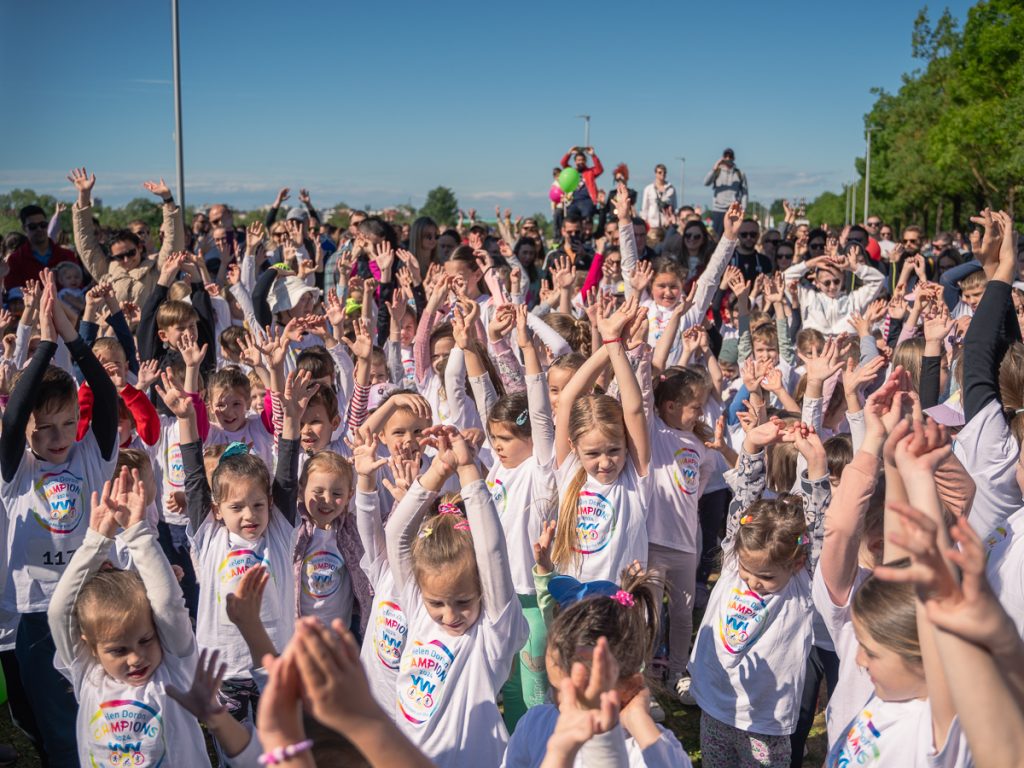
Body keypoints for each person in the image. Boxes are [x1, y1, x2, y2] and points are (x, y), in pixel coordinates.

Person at [47, 469, 260, 766]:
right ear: (91, 647)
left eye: (145, 640)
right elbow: (59, 613)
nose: (136, 658)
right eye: (118, 650)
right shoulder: (89, 673)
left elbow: (168, 604)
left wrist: (138, 533)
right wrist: (95, 542)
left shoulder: (173, 671)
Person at [0, 272, 119, 765]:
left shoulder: (91, 456)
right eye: (45, 427)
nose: (59, 437)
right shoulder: (15, 471)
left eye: (68, 423)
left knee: (104, 715)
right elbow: (13, 418)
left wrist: (73, 337)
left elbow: (106, 397)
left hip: (94, 602)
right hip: (36, 612)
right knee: (56, 730)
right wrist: (46, 344)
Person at [385, 427, 528, 767]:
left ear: (482, 591)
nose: (450, 616)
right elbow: (396, 534)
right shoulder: (418, 609)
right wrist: (439, 469)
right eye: (437, 603)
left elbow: (492, 551)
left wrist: (466, 470)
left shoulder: (492, 632)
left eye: (463, 602)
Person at [69, 167, 185, 313]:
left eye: (131, 253)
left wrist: (167, 199)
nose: (126, 259)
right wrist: (84, 195)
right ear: (112, 257)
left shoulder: (157, 269)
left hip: (147, 327)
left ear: (140, 248)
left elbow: (173, 241)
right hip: (111, 328)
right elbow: (85, 242)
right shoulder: (106, 271)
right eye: (119, 257)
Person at [4, 204, 80, 291]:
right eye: (33, 226)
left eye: (43, 225)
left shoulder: (67, 256)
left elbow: (79, 286)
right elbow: (13, 292)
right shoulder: (15, 260)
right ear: (24, 228)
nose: (39, 229)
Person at [703, 148, 748, 236]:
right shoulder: (717, 171)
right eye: (726, 156)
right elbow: (706, 183)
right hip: (718, 209)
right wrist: (714, 169)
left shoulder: (739, 173)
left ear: (733, 158)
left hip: (733, 209)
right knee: (717, 236)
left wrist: (743, 208)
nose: (728, 158)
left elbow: (745, 193)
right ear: (723, 157)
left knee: (732, 235)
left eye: (730, 156)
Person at [559, 146, 603, 221]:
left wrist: (593, 155)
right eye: (578, 160)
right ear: (575, 162)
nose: (580, 162)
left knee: (586, 218)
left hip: (587, 200)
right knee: (570, 219)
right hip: (573, 201)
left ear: (585, 161)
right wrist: (569, 153)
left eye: (582, 160)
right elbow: (563, 163)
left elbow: (599, 170)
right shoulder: (571, 171)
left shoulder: (590, 172)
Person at [641, 164, 677, 228]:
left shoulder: (671, 189)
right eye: (660, 172)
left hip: (666, 223)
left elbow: (675, 206)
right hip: (652, 223)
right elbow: (645, 208)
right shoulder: (648, 189)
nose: (662, 174)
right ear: (656, 174)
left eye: (664, 172)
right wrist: (644, 221)